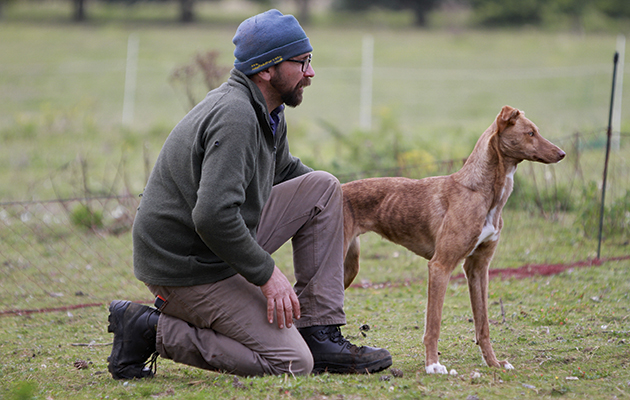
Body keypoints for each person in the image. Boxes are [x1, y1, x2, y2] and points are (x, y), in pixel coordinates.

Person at [107, 9, 392, 379]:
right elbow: (211, 215)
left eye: (310, 60)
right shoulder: (236, 115)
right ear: (266, 70)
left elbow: (285, 171)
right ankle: (150, 329)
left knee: (325, 187)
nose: (310, 72)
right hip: (186, 266)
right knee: (292, 363)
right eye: (301, 62)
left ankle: (319, 332)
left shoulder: (267, 109)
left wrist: (343, 213)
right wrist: (267, 274)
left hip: (214, 246)